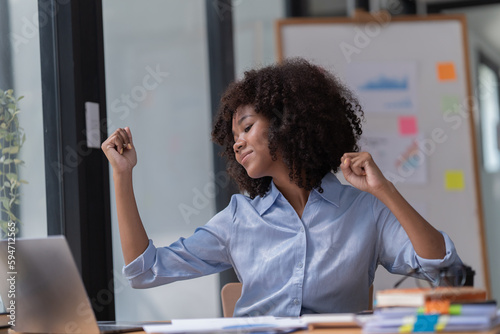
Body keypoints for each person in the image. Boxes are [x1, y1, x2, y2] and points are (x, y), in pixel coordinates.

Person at [101, 58, 462, 317]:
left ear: (286, 122)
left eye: (246, 127)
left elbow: (445, 271)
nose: (237, 143)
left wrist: (385, 191)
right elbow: (146, 271)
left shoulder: (364, 209)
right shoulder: (239, 218)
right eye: (233, 137)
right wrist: (122, 175)